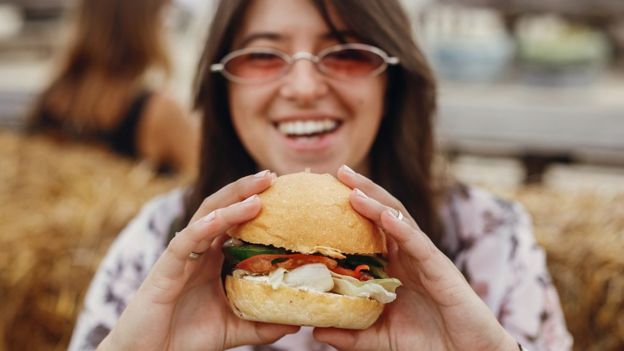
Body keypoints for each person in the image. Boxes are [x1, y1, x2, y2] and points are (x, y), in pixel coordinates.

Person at [69, 0, 573, 350]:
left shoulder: (493, 238)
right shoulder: (157, 246)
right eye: (264, 55)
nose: (305, 87)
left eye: (348, 53)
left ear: (393, 81)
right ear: (221, 88)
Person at [28, 0, 199, 175]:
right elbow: (209, 181)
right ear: (143, 23)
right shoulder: (160, 111)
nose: (167, 25)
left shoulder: (53, 97)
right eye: (164, 13)